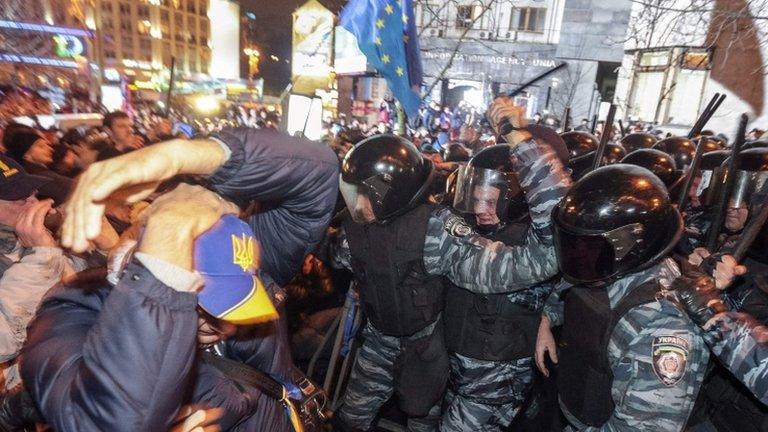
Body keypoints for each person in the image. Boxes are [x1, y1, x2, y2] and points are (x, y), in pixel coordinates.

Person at [22, 128, 339, 431]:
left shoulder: (250, 256)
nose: (224, 324)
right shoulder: (70, 313)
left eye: (238, 301)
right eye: (207, 302)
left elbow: (319, 172)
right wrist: (170, 231)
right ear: (144, 258)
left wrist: (181, 155)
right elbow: (112, 421)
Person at [331, 97, 571, 432]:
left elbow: (546, 255)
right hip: (425, 355)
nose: (480, 208)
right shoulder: (366, 229)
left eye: (362, 195)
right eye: (474, 197)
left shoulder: (440, 235)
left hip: (483, 378)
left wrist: (521, 140)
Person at [537, 164, 710, 431]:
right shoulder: (606, 267)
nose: (580, 255)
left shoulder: (664, 326)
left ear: (631, 245)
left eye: (589, 247)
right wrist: (547, 317)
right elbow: (578, 281)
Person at [440, 145, 558, 431]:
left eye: (492, 202)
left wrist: (548, 319)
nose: (481, 210)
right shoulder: (467, 235)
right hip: (463, 367)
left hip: (498, 376)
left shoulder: (531, 248)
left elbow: (567, 286)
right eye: (476, 199)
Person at [2, 123, 72, 205]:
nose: (50, 149)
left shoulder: (40, 171)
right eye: (41, 146)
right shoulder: (42, 176)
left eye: (47, 145)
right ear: (26, 155)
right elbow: (78, 188)